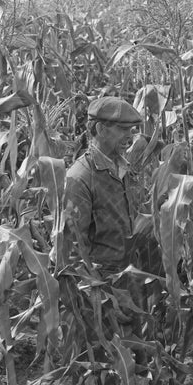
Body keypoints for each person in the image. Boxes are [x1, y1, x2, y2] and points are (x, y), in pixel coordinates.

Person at [64, 95, 143, 276]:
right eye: (123, 130)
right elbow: (73, 249)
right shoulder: (79, 178)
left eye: (131, 130)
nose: (130, 137)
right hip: (104, 287)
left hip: (132, 277)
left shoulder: (125, 168)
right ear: (101, 129)